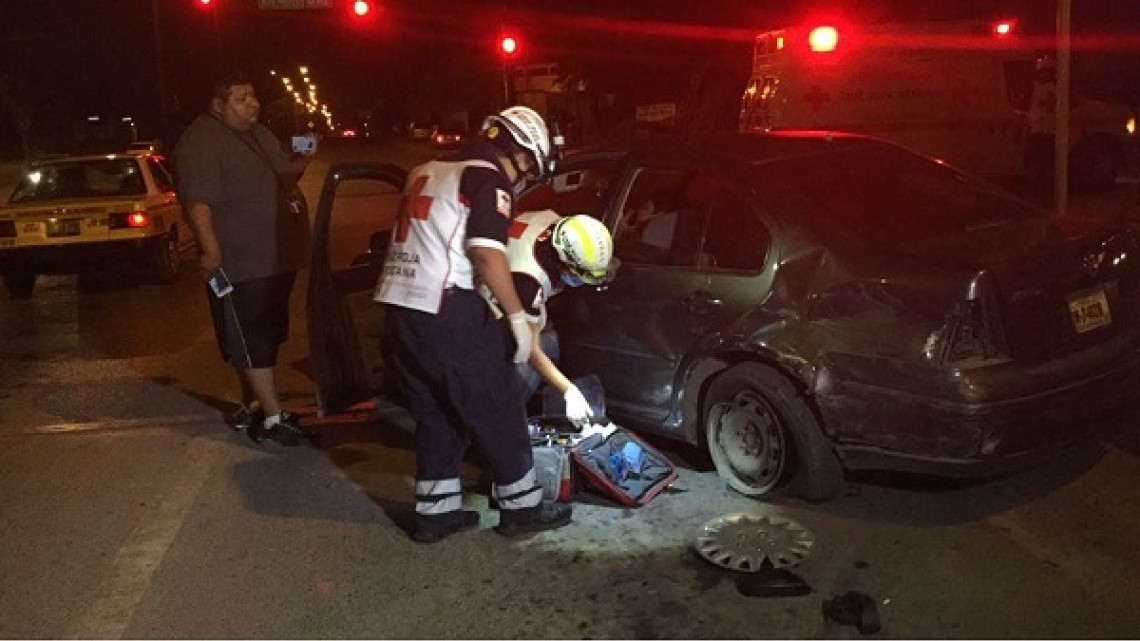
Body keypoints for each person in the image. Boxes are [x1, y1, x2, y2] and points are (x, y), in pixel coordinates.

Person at [374, 105, 574, 543]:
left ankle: (436, 513)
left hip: (399, 310)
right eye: (529, 170)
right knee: (497, 402)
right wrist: (517, 316)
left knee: (437, 410)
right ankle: (522, 507)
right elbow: (486, 252)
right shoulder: (487, 177)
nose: (523, 180)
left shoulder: (426, 168)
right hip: (445, 308)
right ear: (523, 156)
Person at [173, 70, 313, 446]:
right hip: (241, 263)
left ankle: (252, 402)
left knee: (264, 335)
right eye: (241, 99)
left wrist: (307, 138)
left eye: (253, 97)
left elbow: (288, 170)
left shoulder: (257, 133)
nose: (252, 104)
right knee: (250, 334)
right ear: (218, 105)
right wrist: (211, 250)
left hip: (274, 259)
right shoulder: (202, 141)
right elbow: (198, 202)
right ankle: (271, 417)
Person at [479, 209, 616, 421]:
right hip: (486, 302)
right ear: (563, 262)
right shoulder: (528, 279)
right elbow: (531, 349)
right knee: (527, 361)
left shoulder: (553, 223)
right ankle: (494, 421)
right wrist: (568, 390)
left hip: (500, 268)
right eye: (579, 274)